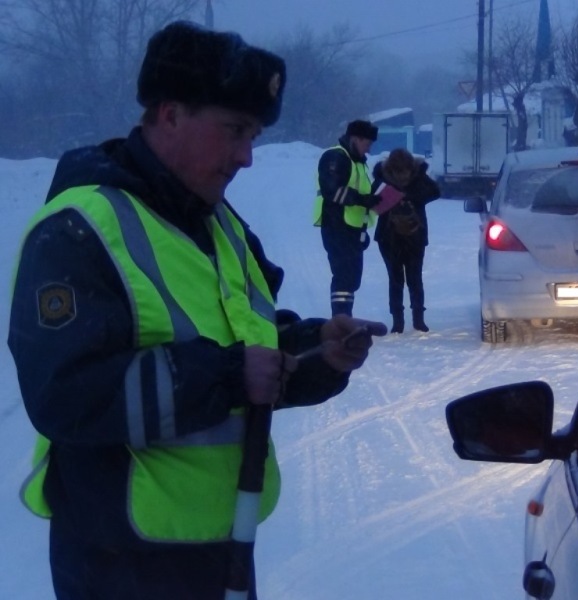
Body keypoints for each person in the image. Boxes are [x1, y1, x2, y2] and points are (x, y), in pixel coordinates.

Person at [7, 21, 386, 600]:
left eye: (254, 135)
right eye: (234, 131)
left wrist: (317, 350)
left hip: (220, 548)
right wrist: (230, 374)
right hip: (117, 564)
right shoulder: (80, 228)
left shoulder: (221, 225)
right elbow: (65, 394)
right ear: (168, 114)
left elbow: (246, 343)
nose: (247, 157)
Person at [313, 119, 380, 317]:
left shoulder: (358, 163)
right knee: (343, 276)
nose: (368, 150)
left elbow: (361, 192)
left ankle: (344, 316)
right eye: (366, 144)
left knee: (351, 278)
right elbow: (332, 190)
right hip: (336, 225)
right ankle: (341, 319)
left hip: (352, 228)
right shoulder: (335, 156)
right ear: (355, 139)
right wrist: (363, 200)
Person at [371, 148, 441, 333]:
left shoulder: (385, 177)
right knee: (411, 278)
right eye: (399, 171)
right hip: (402, 236)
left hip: (393, 237)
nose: (402, 175)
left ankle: (402, 321)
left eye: (405, 171)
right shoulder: (416, 177)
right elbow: (372, 201)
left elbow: (435, 192)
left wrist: (405, 196)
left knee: (399, 279)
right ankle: (414, 320)